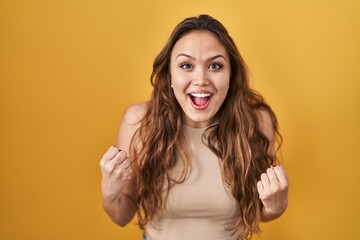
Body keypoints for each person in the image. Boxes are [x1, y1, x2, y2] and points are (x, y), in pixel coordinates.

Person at [100, 14, 289, 240]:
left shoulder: (257, 122)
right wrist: (110, 192)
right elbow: (121, 216)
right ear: (170, 75)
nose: (201, 79)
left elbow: (259, 210)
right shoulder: (139, 122)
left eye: (215, 65)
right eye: (186, 65)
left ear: (231, 75)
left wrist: (275, 206)